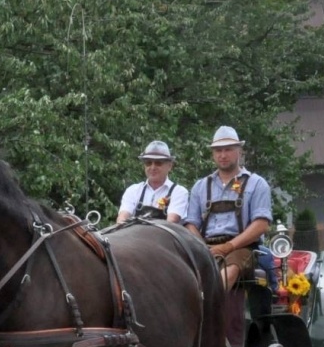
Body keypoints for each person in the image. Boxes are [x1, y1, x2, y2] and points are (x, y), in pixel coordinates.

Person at [182, 125, 273, 292]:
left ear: (239, 151)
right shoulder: (200, 186)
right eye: (218, 150)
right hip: (205, 247)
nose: (222, 155)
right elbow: (191, 224)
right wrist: (203, 249)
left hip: (242, 248)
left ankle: (209, 305)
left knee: (228, 272)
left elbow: (261, 224)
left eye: (228, 149)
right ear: (213, 154)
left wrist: (228, 247)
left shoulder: (257, 184)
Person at [116, 140, 189, 224]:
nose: (153, 167)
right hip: (134, 232)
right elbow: (122, 218)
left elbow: (171, 222)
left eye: (158, 163)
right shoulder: (133, 190)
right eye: (148, 163)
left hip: (164, 232)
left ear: (169, 166)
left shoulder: (178, 192)